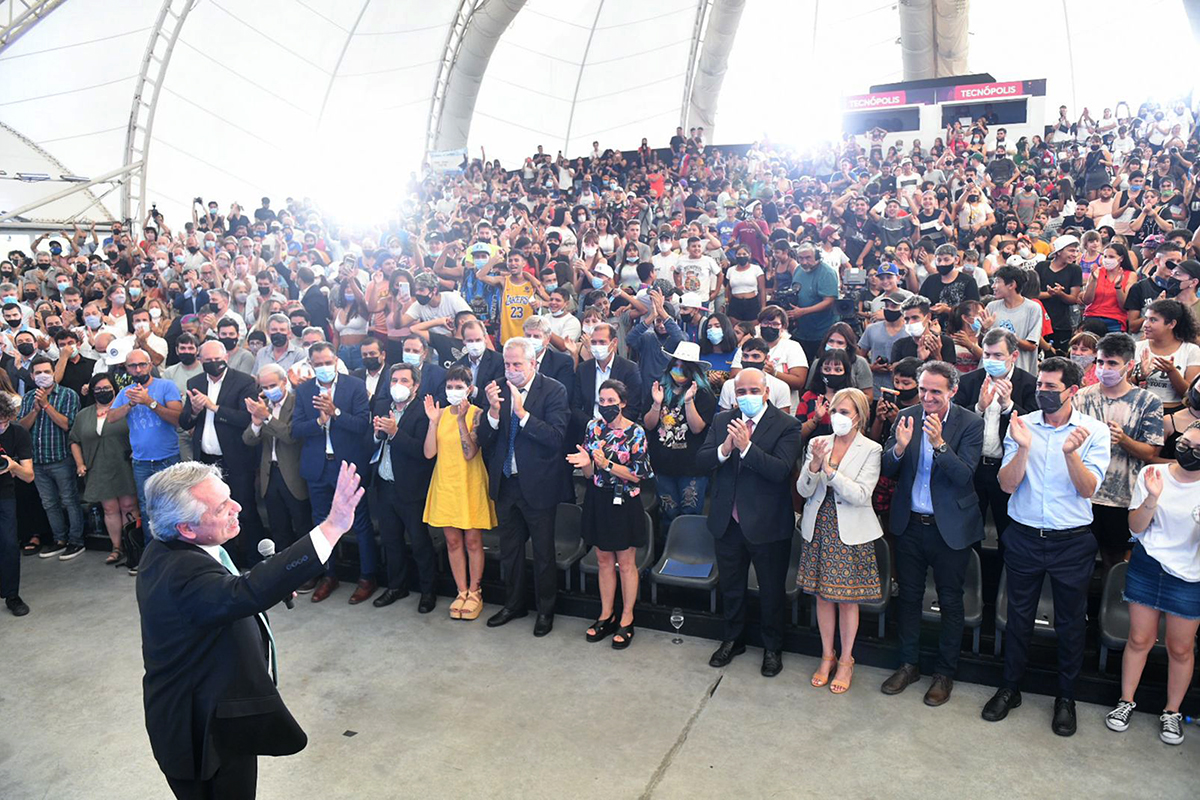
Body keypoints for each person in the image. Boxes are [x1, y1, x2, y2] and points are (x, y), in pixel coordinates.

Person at [137, 459, 365, 800]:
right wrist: (332, 527)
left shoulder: (172, 548)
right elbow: (245, 592)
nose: (237, 507)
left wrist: (269, 585)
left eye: (229, 496)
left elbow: (228, 594)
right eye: (221, 507)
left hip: (222, 716)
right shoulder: (181, 575)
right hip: (203, 736)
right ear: (186, 527)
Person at [985, 357, 1111, 736]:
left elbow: (1088, 489)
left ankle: (1066, 697)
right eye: (1040, 385)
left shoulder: (1093, 431)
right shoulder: (1022, 424)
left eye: (1051, 387)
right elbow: (1007, 485)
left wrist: (1071, 453)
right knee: (1018, 617)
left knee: (1071, 623)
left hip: (1071, 541)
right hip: (1024, 535)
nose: (1042, 392)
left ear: (1072, 390)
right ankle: (1010, 688)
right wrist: (1023, 449)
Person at [879, 361, 984, 707]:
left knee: (950, 600)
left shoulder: (970, 423)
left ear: (953, 391)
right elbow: (887, 468)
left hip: (949, 528)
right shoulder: (906, 415)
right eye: (923, 389)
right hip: (909, 524)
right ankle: (908, 665)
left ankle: (944, 673)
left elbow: (964, 475)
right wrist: (898, 448)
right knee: (909, 597)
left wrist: (939, 444)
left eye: (935, 391)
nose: (926, 397)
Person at [696, 368, 802, 677]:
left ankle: (772, 647)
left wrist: (746, 448)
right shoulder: (722, 421)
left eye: (754, 391)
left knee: (771, 590)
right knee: (731, 586)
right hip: (727, 521)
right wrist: (725, 449)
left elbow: (780, 470)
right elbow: (702, 461)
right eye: (741, 392)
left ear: (766, 392)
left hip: (768, 523)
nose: (747, 397)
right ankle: (733, 639)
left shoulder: (787, 425)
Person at [1106, 426, 1200, 746]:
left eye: (1197, 449)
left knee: (1181, 648)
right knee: (1139, 639)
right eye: (1185, 443)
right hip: (1148, 568)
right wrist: (1152, 498)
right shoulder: (1153, 474)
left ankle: (1172, 711)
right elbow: (1135, 528)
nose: (1188, 451)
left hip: (1189, 577)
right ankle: (1126, 701)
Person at [477, 338, 570, 637]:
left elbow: (555, 438)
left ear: (532, 363)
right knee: (510, 551)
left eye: (517, 364)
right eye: (507, 364)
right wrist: (493, 413)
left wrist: (522, 415)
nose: (511, 370)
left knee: (543, 553)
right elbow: (484, 440)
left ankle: (545, 611)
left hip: (538, 486)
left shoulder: (553, 390)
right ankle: (513, 604)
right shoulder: (497, 389)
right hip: (506, 483)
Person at [796, 388, 883, 694]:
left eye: (844, 412)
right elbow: (804, 490)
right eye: (834, 411)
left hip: (850, 532)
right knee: (822, 596)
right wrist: (814, 466)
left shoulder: (871, 449)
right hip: (819, 526)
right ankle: (826, 655)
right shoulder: (817, 443)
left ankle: (846, 660)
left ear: (859, 416)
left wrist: (830, 472)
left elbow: (861, 494)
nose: (837, 417)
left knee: (847, 599)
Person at [568, 379, 652, 648]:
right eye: (601, 401)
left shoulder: (636, 432)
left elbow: (638, 475)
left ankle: (627, 617)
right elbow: (590, 473)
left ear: (622, 403)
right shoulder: (593, 427)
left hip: (625, 500)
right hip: (598, 498)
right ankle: (606, 614)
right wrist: (587, 464)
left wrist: (607, 464)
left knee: (626, 562)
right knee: (603, 559)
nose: (606, 406)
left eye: (611, 401)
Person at [291, 343, 377, 604]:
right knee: (321, 523)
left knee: (360, 523)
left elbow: (362, 424)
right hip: (318, 467)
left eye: (328, 362)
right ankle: (329, 575)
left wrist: (335, 412)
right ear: (311, 364)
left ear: (336, 360)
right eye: (318, 364)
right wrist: (319, 422)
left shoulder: (355, 386)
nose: (324, 367)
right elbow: (296, 429)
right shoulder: (304, 390)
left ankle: (367, 576)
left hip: (348, 466)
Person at [1074, 333, 1164, 569]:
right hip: (1083, 494)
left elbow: (1150, 453)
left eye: (1112, 363)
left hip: (1123, 498)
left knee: (1114, 561)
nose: (1104, 369)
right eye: (1100, 362)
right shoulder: (1081, 397)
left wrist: (1123, 439)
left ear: (1129, 365)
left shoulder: (1148, 402)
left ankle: (1109, 593)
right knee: (1077, 560)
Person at [178, 341, 263, 568]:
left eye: (217, 360)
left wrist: (213, 407)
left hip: (236, 459)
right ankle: (225, 563)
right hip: (206, 460)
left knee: (245, 510)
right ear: (200, 361)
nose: (213, 364)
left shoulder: (244, 382)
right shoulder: (195, 382)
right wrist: (195, 410)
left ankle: (256, 562)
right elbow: (185, 421)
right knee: (213, 515)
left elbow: (245, 419)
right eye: (208, 361)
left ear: (226, 358)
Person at [953, 329, 1039, 548]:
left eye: (998, 355)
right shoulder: (969, 381)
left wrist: (1008, 406)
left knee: (1008, 533)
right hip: (973, 467)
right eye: (987, 355)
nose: (991, 360)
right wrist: (978, 408)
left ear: (1014, 356)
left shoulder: (1029, 384)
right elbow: (954, 421)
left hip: (1008, 467)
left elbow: (1034, 427)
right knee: (969, 530)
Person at [422, 365, 494, 618]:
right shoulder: (439, 414)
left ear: (469, 389)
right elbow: (429, 453)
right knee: (452, 541)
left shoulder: (477, 414)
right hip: (445, 481)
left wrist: (462, 420)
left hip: (469, 481)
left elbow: (470, 452)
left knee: (473, 541)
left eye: (459, 387)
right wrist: (432, 422)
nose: (453, 391)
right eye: (450, 386)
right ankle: (461, 590)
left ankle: (475, 591)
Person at [69, 373, 138, 565]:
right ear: (92, 391)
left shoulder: (126, 409)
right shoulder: (83, 415)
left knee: (128, 506)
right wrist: (80, 463)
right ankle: (117, 548)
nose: (102, 392)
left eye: (106, 388)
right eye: (98, 389)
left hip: (124, 465)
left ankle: (134, 546)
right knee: (109, 509)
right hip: (97, 467)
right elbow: (74, 440)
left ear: (114, 388)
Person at [19, 356, 84, 560]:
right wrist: (35, 410)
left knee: (70, 500)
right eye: (38, 373)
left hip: (61, 458)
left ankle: (76, 541)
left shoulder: (68, 395)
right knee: (49, 503)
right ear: (32, 376)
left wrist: (47, 406)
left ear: (54, 373)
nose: (42, 376)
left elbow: (67, 425)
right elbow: (21, 428)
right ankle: (59, 539)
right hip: (37, 461)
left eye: (46, 372)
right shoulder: (28, 398)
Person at [242, 364, 311, 556]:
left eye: (272, 385)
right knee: (278, 527)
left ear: (284, 382)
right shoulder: (263, 405)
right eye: (264, 387)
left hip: (293, 473)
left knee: (302, 525)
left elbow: (290, 436)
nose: (268, 390)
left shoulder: (297, 403)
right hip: (269, 474)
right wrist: (256, 423)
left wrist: (267, 417)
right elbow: (248, 439)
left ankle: (308, 568)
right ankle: (282, 567)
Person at [644, 342, 715, 528]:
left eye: (684, 367)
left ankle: (689, 545)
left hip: (692, 467)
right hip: (662, 464)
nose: (678, 370)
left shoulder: (704, 394)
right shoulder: (659, 389)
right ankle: (669, 544)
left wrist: (689, 401)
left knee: (690, 512)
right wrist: (656, 404)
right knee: (668, 512)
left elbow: (697, 428)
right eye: (675, 365)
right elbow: (648, 424)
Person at [107, 348, 184, 518]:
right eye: (132, 366)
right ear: (126, 368)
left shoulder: (166, 386)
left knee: (174, 505)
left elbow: (178, 419)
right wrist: (130, 404)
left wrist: (149, 402)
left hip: (168, 458)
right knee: (147, 507)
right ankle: (150, 537)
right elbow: (111, 418)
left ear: (150, 365)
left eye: (142, 365)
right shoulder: (126, 392)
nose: (138, 369)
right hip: (141, 462)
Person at [571, 322, 642, 445]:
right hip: (589, 430)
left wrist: (612, 427)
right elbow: (575, 406)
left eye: (602, 342)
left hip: (619, 435)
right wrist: (592, 425)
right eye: (594, 342)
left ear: (614, 342)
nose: (597, 346)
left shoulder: (629, 369)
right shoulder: (583, 369)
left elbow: (633, 407)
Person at [1131, 299, 1200, 412]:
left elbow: (1190, 395)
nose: (1145, 325)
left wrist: (1171, 372)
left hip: (1173, 412)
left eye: (1153, 320)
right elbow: (1123, 385)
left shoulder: (1191, 350)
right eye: (1146, 318)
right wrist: (1140, 377)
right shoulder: (1136, 347)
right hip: (1139, 409)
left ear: (1171, 324)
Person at [0, 391, 34, 616]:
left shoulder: (18, 433)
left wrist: (13, 466)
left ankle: (12, 594)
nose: (1, 427)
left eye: (4, 422)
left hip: (5, 494)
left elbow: (29, 475)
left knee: (10, 544)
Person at [985, 266, 1043, 375]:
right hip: (992, 373)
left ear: (1011, 285)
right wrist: (984, 329)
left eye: (997, 282)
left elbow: (1032, 346)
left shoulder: (1033, 308)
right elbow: (983, 342)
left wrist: (1010, 338)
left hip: (1021, 372)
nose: (993, 286)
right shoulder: (991, 307)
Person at [454, 320, 504, 408]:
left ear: (485, 339)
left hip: (489, 409)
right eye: (470, 341)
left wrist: (474, 391)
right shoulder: (458, 366)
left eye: (478, 340)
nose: (474, 344)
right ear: (464, 341)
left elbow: (499, 394)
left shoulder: (499, 361)